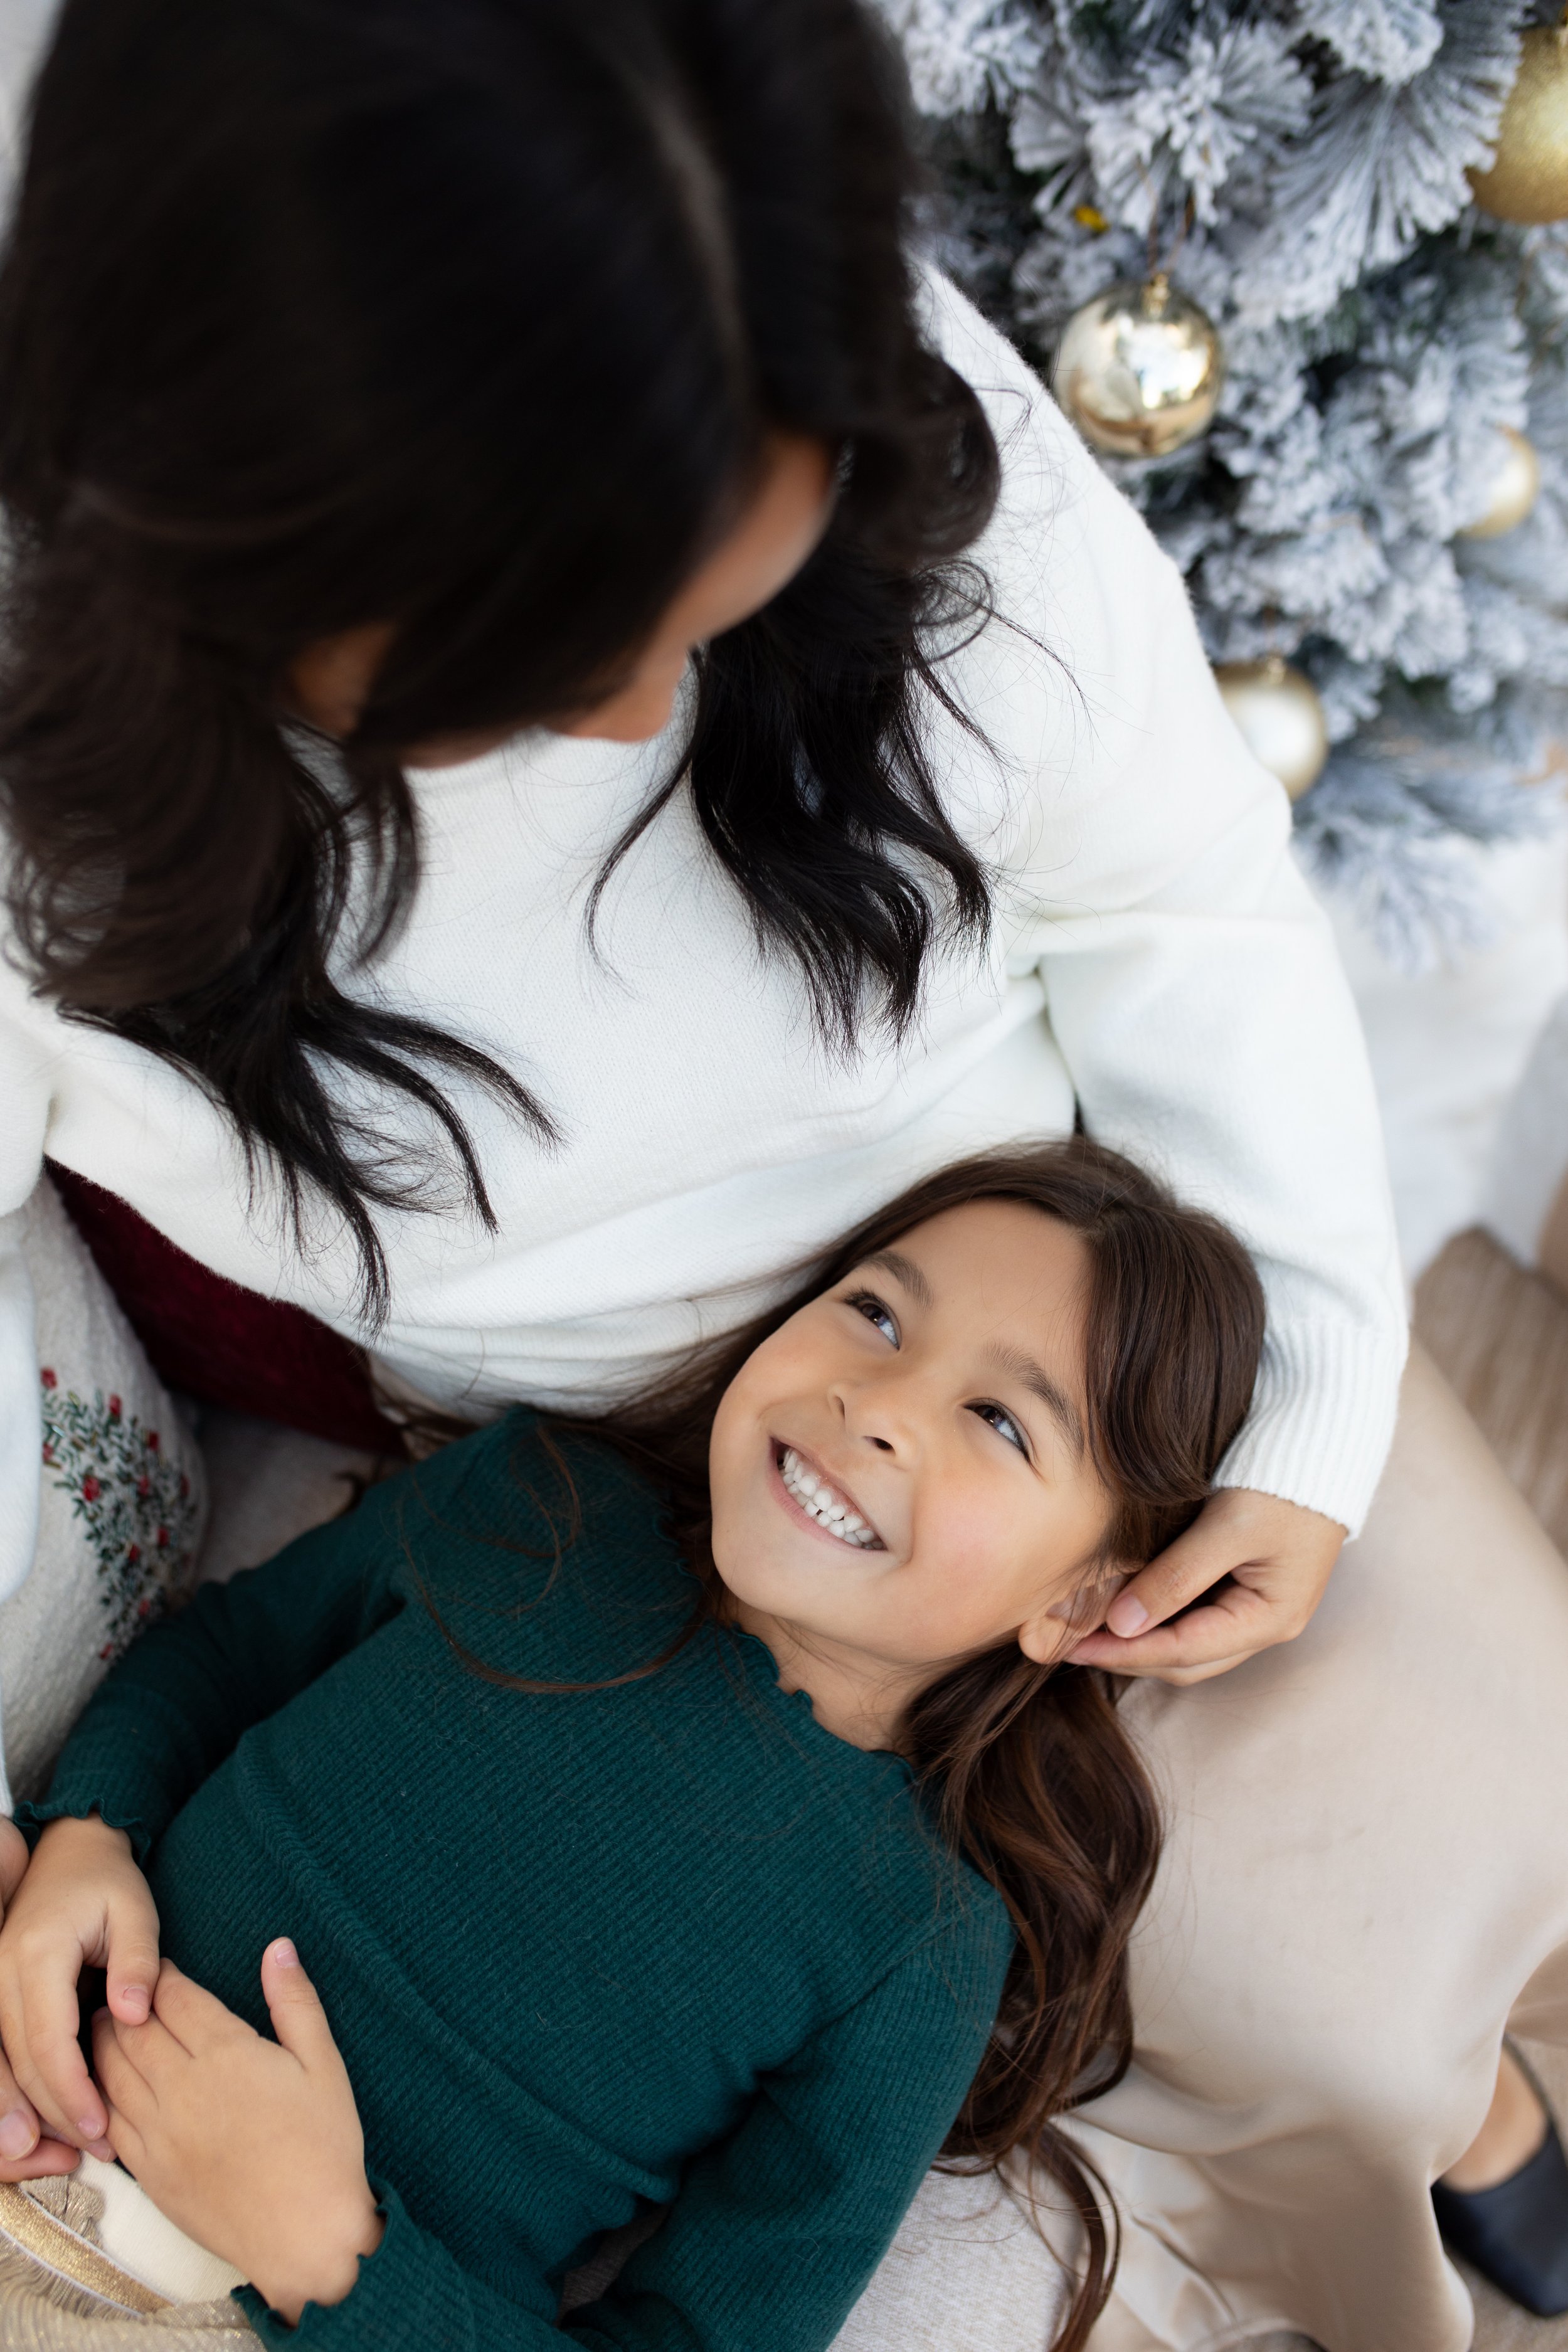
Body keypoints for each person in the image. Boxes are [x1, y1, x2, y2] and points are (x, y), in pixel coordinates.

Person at [0, 0, 1563, 2341]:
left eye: (727, 585)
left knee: (1408, 1910)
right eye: (555, 651)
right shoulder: (75, 800)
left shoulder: (770, 290)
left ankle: (1471, 2120)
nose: (644, 718)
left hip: (1115, 1279)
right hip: (633, 1456)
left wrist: (1305, 1400)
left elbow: (1174, 890)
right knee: (1256, 1982)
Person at [0, 1142, 1264, 2351]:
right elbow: (225, 1654)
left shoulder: (916, 1938)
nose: (873, 1404)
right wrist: (90, 1834)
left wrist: (332, 2253)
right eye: (876, 1316)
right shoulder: (536, 1494)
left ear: (1077, 1603)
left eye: (999, 1421)